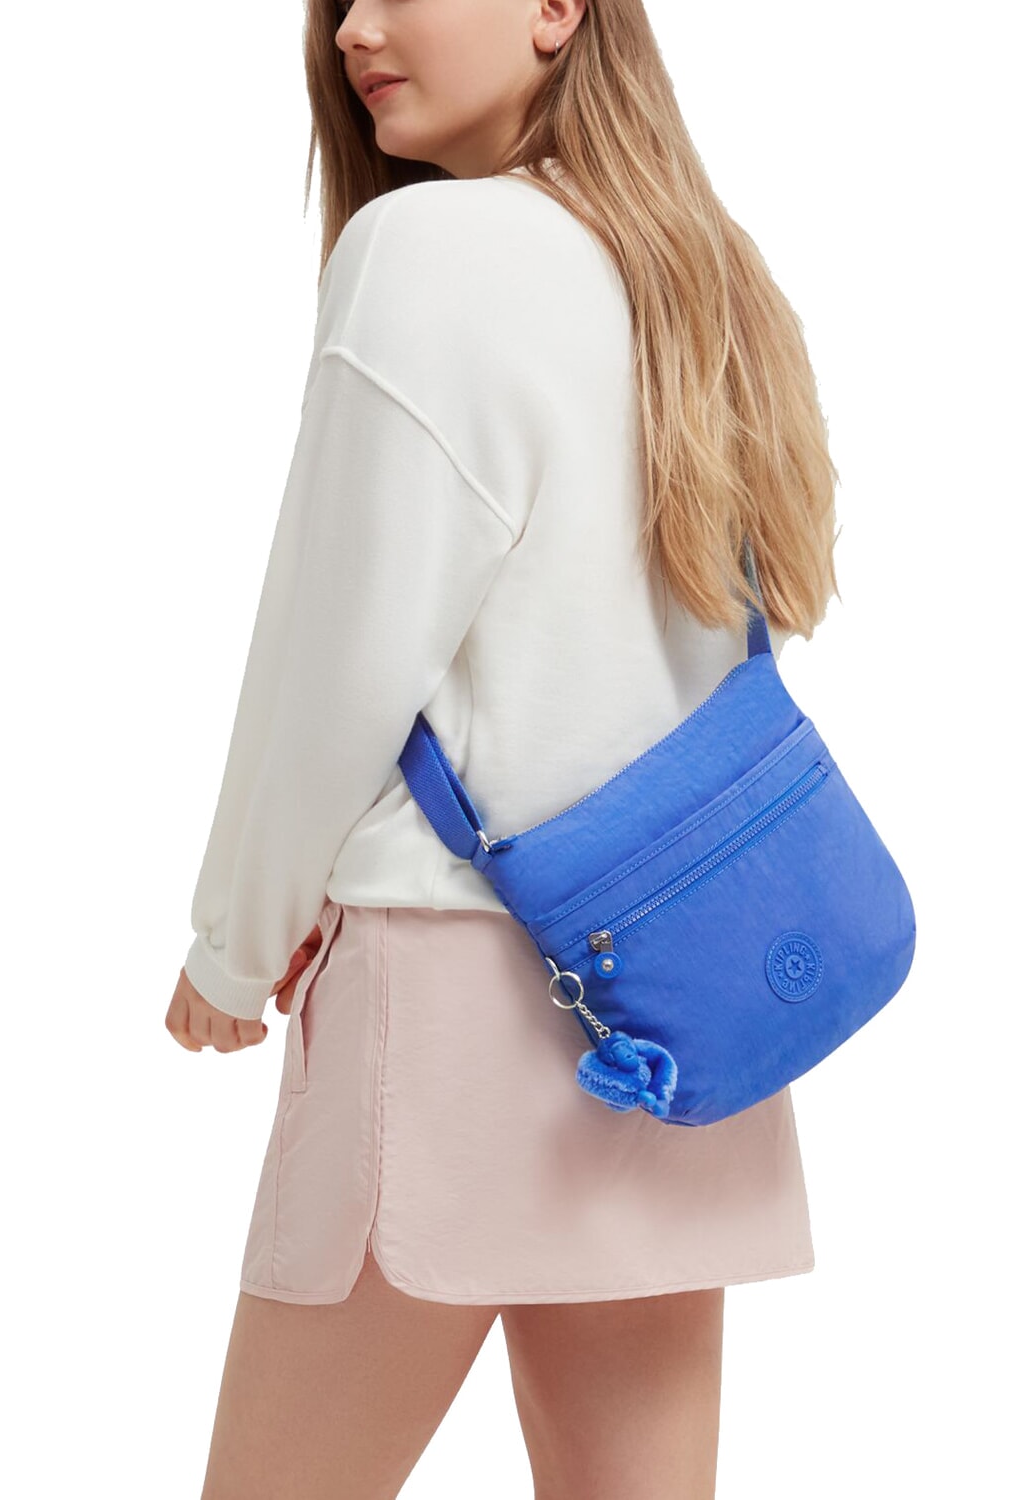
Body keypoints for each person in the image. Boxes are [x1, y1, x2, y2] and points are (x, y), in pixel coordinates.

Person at [164, 0, 839, 1494]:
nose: (355, 29)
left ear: (556, 8)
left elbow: (332, 654)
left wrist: (232, 943)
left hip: (451, 998)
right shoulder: (695, 268)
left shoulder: (426, 248)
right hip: (681, 1006)